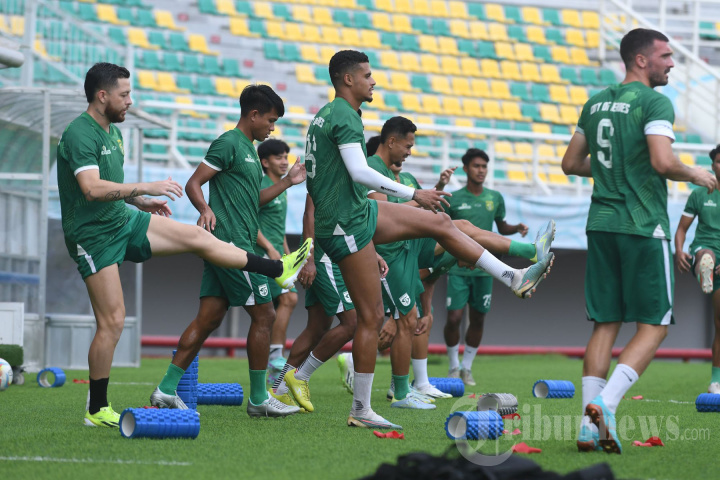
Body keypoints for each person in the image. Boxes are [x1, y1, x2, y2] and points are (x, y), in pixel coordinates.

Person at [306, 50, 554, 430]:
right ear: (348, 79)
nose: (374, 81)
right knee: (370, 320)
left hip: (354, 215)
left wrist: (419, 195)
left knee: (443, 224)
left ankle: (514, 275)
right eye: (368, 75)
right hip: (346, 222)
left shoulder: (330, 114)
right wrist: (414, 194)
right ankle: (347, 400)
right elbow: (358, 172)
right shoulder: (344, 115)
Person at [57, 64, 310, 427]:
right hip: (93, 236)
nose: (130, 101)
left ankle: (277, 269)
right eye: (124, 95)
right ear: (102, 96)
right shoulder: (80, 133)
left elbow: (110, 185)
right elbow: (91, 189)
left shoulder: (112, 133)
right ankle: (97, 409)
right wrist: (147, 188)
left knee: (198, 244)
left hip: (123, 220)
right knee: (113, 322)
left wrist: (140, 202)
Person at [561, 28, 717, 454]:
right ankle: (605, 406)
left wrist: (616, 169)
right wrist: (695, 173)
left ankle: (587, 426)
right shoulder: (654, 101)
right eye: (665, 56)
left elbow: (571, 163)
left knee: (605, 324)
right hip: (643, 225)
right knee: (655, 325)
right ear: (641, 60)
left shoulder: (595, 102)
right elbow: (663, 162)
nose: (672, 63)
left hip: (600, 224)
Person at [149, 85, 312, 418]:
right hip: (233, 245)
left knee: (208, 318)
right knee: (265, 315)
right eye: (270, 120)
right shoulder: (228, 143)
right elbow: (194, 182)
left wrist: (287, 182)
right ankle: (259, 399)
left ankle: (165, 390)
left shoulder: (249, 151)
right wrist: (205, 208)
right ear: (253, 115)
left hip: (228, 244)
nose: (272, 128)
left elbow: (253, 202)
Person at [269, 194, 388, 412]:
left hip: (333, 255)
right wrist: (309, 258)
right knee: (352, 322)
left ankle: (279, 390)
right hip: (324, 256)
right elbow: (309, 214)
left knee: (317, 328)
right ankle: (300, 376)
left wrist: (373, 253)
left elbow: (352, 222)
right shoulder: (326, 176)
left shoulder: (352, 181)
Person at [443, 148, 539, 387]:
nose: (481, 170)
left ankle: (467, 368)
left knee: (478, 319)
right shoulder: (453, 198)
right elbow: (442, 229)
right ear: (466, 168)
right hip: (457, 267)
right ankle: (453, 366)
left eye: (484, 166)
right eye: (476, 166)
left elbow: (500, 227)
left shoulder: (495, 197)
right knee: (454, 318)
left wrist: (516, 228)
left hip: (485, 267)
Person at [675, 144, 720, 395]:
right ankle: (704, 269)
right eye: (719, 161)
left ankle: (715, 381)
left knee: (719, 324)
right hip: (705, 247)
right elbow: (682, 229)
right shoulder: (700, 193)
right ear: (713, 165)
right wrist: (679, 250)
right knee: (706, 255)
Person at [253, 139, 299, 386]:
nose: (284, 162)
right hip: (261, 255)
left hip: (277, 256)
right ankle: (273, 358)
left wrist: (288, 254)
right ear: (265, 162)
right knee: (282, 302)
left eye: (285, 157)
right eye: (279, 157)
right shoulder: (261, 186)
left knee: (283, 302)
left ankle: (273, 358)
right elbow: (251, 222)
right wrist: (269, 248)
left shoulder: (281, 187)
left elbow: (277, 228)